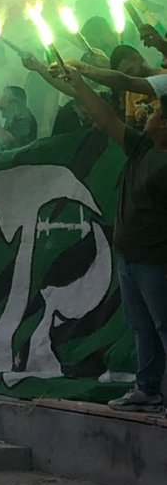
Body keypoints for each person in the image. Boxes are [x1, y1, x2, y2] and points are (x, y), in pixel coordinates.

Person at [61, 63, 167, 411]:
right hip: (130, 258)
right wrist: (79, 84)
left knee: (164, 327)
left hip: (156, 263)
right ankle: (147, 389)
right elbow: (106, 118)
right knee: (142, 327)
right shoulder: (142, 147)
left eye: (155, 112)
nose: (147, 114)